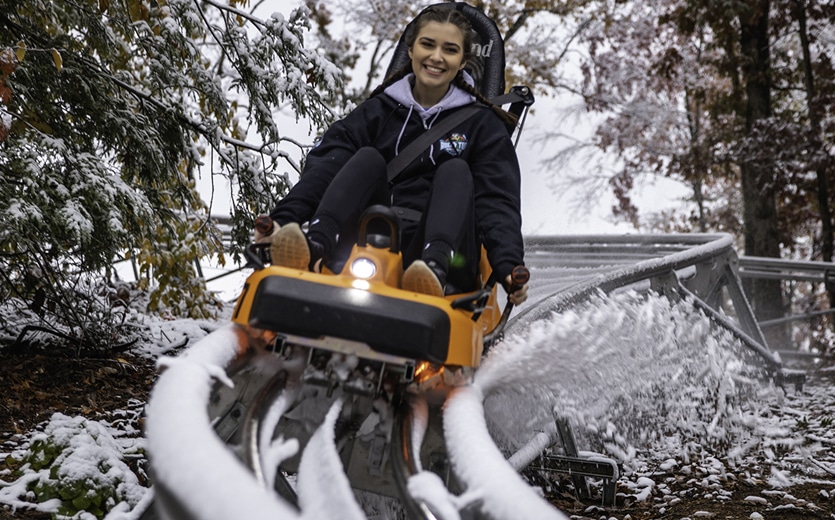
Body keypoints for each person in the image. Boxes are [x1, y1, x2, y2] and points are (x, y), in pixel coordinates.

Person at [257, 4, 528, 305]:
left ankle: (432, 272)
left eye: (449, 50)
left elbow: (497, 198)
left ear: (463, 61)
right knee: (367, 157)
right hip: (370, 243)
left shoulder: (482, 125)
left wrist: (508, 263)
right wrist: (284, 218)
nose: (436, 57)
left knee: (455, 171)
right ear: (411, 50)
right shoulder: (377, 111)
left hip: (449, 258)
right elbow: (327, 165)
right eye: (427, 44)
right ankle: (315, 244)